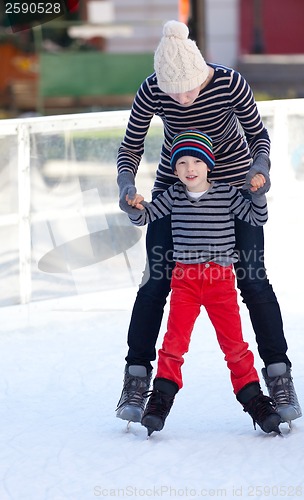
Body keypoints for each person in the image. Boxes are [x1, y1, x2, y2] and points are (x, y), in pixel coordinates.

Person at [115, 20, 301, 425]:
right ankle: (135, 376)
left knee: (252, 278)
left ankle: (278, 374)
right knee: (155, 280)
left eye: (189, 88)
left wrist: (260, 174)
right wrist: (126, 186)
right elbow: (129, 147)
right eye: (173, 91)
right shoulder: (152, 89)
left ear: (202, 74)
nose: (181, 99)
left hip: (235, 187)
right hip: (176, 189)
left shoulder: (229, 83)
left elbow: (259, 138)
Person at [121, 129, 282, 436]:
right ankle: (159, 402)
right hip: (186, 281)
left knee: (235, 346)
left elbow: (256, 218)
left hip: (220, 281)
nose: (189, 168)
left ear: (209, 164)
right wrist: (134, 205)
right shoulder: (173, 195)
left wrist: (258, 193)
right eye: (182, 163)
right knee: (173, 344)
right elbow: (146, 217)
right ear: (174, 169)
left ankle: (255, 400)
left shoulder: (227, 193)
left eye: (196, 161)